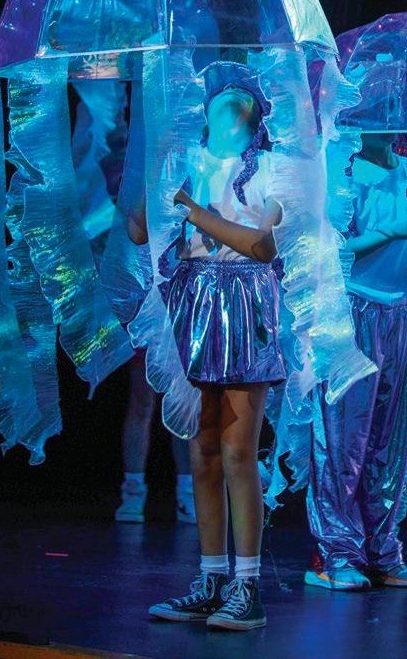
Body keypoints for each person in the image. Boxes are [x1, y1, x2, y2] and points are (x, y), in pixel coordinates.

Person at [127, 63, 284, 631]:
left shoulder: (273, 169)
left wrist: (193, 210)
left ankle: (248, 585)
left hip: (246, 301)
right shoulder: (187, 162)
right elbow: (140, 231)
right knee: (203, 450)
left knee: (240, 449)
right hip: (193, 301)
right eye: (223, 91)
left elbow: (262, 245)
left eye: (245, 91)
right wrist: (153, 182)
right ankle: (212, 577)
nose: (234, 92)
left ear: (258, 117)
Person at [305, 132, 407, 590]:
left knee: (390, 441)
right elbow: (329, 248)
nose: (388, 120)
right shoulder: (344, 172)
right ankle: (335, 552)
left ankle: (382, 549)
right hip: (351, 311)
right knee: (342, 437)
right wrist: (390, 232)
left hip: (400, 314)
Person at [115, 349, 195, 525]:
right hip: (148, 335)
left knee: (183, 407)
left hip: (179, 334)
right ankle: (133, 491)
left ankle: (187, 493)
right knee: (141, 401)